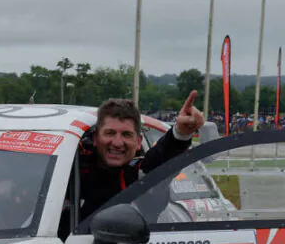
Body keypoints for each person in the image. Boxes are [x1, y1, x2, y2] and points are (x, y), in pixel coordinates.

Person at [74, 92, 206, 227]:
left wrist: (180, 135)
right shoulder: (69, 168)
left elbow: (155, 165)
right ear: (95, 138)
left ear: (138, 142)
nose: (118, 143)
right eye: (110, 133)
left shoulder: (136, 176)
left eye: (126, 135)